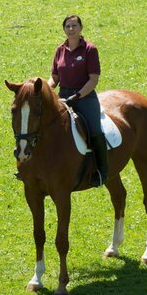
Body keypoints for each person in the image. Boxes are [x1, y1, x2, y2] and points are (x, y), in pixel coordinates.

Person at [48, 14, 106, 186]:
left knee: (95, 130)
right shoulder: (59, 50)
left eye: (74, 25)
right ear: (63, 29)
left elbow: (93, 80)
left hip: (85, 97)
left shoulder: (90, 49)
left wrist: (78, 96)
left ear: (81, 28)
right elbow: (54, 77)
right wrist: (46, 89)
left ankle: (102, 171)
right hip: (63, 97)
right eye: (67, 26)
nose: (71, 29)